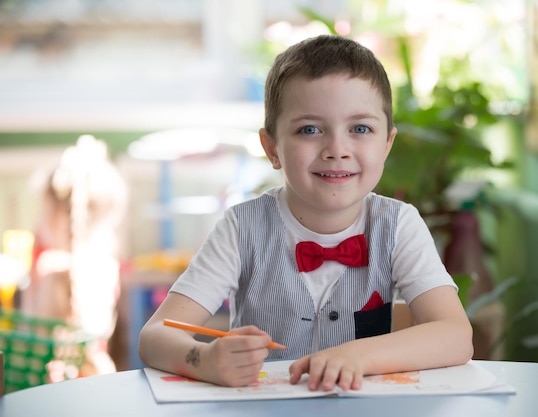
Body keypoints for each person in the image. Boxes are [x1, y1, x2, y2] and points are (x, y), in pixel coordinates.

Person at [138, 34, 473, 392]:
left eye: (360, 129)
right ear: (272, 148)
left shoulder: (398, 225)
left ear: (386, 144)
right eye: (310, 129)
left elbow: (456, 336)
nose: (337, 149)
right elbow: (154, 336)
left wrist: (358, 356)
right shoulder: (241, 228)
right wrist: (205, 360)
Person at [22, 135, 127, 378]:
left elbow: (34, 342)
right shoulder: (106, 269)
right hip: (97, 379)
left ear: (55, 217)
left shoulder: (50, 272)